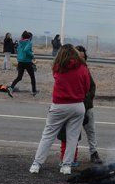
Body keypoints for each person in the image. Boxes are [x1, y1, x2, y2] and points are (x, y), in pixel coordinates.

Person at [29, 44, 90, 175]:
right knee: (72, 138)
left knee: (48, 136)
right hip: (78, 106)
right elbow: (87, 87)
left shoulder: (58, 68)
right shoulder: (83, 67)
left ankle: (36, 164)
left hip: (59, 105)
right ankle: (66, 166)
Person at [8, 31, 37, 97]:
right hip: (27, 62)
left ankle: (11, 88)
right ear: (29, 37)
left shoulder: (20, 42)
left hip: (20, 62)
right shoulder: (29, 42)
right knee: (32, 77)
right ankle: (34, 90)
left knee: (19, 77)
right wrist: (32, 55)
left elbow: (18, 51)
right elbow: (26, 50)